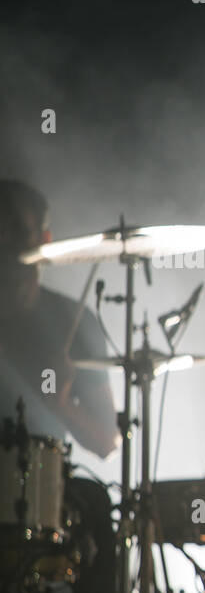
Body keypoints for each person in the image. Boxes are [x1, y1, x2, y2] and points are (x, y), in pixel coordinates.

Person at [0, 179, 118, 459]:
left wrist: (61, 404)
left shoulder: (74, 321)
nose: (4, 242)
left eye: (17, 230)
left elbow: (106, 441)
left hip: (41, 490)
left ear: (45, 239)